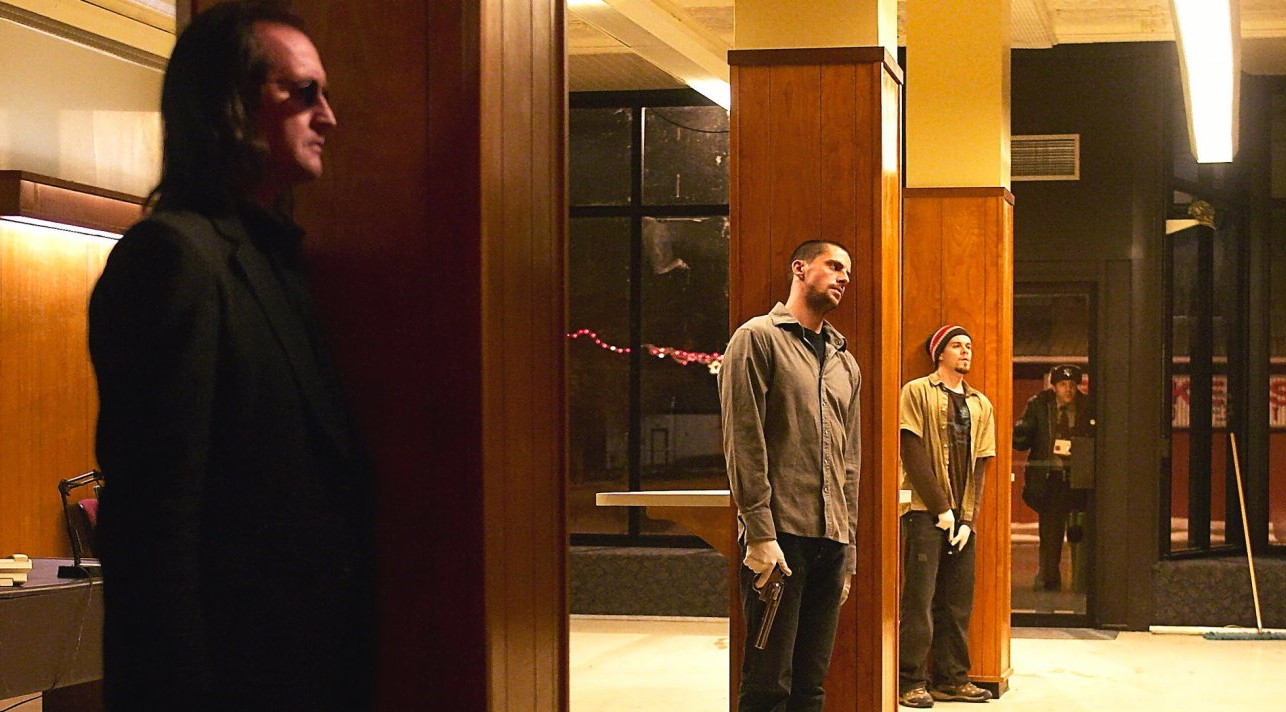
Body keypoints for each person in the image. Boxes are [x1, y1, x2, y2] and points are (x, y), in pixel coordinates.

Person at [88, 3, 374, 709]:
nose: (329, 117)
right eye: (303, 93)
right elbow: (155, 529)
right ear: (229, 107)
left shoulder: (273, 260)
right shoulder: (173, 260)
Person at [719, 240, 862, 712]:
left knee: (811, 686)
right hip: (779, 538)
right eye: (833, 266)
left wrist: (850, 548)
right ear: (800, 268)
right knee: (767, 685)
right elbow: (744, 439)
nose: (843, 277)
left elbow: (850, 461)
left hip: (831, 541)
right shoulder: (757, 338)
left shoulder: (845, 360)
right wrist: (758, 533)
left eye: (847, 271)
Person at [897, 325, 995, 708]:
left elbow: (982, 467)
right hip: (925, 513)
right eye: (957, 345)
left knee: (957, 601)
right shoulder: (918, 392)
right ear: (939, 353)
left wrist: (968, 520)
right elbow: (911, 449)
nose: (966, 351)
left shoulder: (980, 404)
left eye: (969, 346)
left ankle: (953, 679)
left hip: (961, 519)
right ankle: (910, 681)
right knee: (919, 599)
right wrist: (941, 509)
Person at [1014, 363, 1093, 591]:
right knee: (1050, 533)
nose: (1068, 390)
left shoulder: (1087, 407)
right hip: (1051, 479)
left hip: (1079, 479)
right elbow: (1021, 441)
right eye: (1062, 385)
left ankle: (1083, 581)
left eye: (1071, 385)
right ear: (1054, 387)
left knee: (1081, 532)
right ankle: (1049, 577)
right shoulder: (1040, 405)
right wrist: (1023, 430)